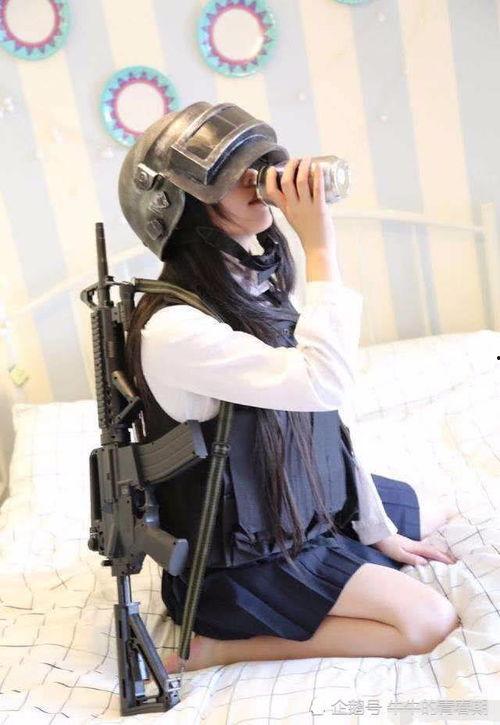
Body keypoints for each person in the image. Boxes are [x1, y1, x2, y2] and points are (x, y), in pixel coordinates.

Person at [119, 102, 460, 673]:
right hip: (241, 561)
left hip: (296, 509)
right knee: (428, 621)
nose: (257, 181)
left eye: (258, 166)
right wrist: (320, 246)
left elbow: (324, 424)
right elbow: (325, 382)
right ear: (180, 206)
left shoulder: (246, 291)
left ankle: (355, 547)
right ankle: (218, 648)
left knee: (435, 509)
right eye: (233, 175)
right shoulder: (175, 328)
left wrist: (376, 530)